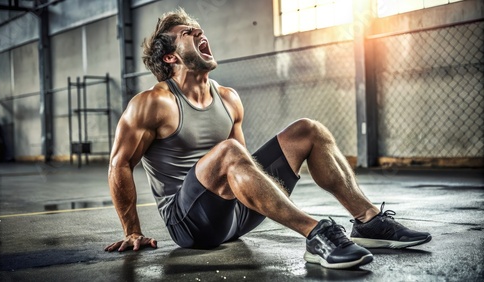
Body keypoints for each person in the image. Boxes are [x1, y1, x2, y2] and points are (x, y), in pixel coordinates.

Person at [104, 8, 431, 269]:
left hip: (237, 217)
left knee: (308, 130)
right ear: (170, 58)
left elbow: (244, 166)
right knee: (228, 151)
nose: (199, 33)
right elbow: (120, 164)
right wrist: (132, 230)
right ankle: (317, 235)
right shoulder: (152, 103)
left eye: (198, 29)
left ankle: (369, 221)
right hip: (191, 226)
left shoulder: (229, 98)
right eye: (187, 33)